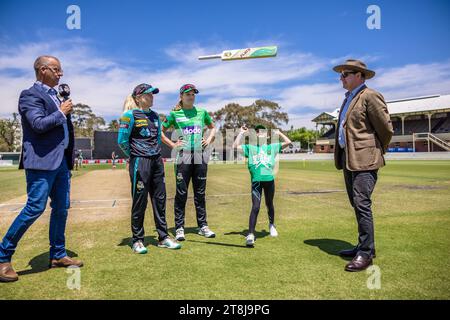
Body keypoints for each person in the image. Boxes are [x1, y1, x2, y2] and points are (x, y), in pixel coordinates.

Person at [0, 55, 83, 283]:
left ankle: (58, 254)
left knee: (62, 208)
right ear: (43, 70)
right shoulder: (30, 95)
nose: (61, 73)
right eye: (56, 69)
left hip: (61, 163)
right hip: (42, 162)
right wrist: (61, 112)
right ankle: (2, 256)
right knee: (34, 208)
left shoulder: (56, 96)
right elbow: (37, 125)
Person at [332, 59, 393, 272]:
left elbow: (385, 129)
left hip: (364, 160)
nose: (341, 78)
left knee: (362, 203)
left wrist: (375, 150)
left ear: (359, 75)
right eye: (340, 75)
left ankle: (366, 254)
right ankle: (364, 245)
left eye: (345, 74)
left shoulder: (370, 96)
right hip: (349, 159)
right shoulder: (349, 98)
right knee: (356, 202)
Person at [118, 83, 181, 254]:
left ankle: (163, 237)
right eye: (148, 95)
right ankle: (137, 240)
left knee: (160, 200)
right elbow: (122, 141)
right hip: (140, 161)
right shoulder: (129, 116)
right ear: (138, 98)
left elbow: (158, 138)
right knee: (140, 201)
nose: (151, 97)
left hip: (157, 162)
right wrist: (134, 156)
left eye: (152, 94)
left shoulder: (155, 116)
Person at [160, 84, 216, 241]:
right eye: (188, 94)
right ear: (181, 97)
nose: (191, 97)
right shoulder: (174, 114)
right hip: (183, 157)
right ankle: (179, 228)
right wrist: (172, 145)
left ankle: (203, 226)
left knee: (200, 193)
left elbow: (213, 127)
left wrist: (210, 138)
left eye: (193, 94)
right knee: (182, 193)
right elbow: (160, 132)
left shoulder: (202, 112)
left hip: (200, 156)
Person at [233, 124, 291, 247]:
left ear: (268, 136)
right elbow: (235, 146)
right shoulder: (250, 148)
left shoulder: (272, 147)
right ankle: (250, 234)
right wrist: (241, 133)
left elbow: (288, 142)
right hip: (256, 182)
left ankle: (271, 225)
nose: (260, 134)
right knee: (255, 207)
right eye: (258, 132)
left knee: (269, 204)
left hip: (269, 181)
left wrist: (279, 133)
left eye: (263, 132)